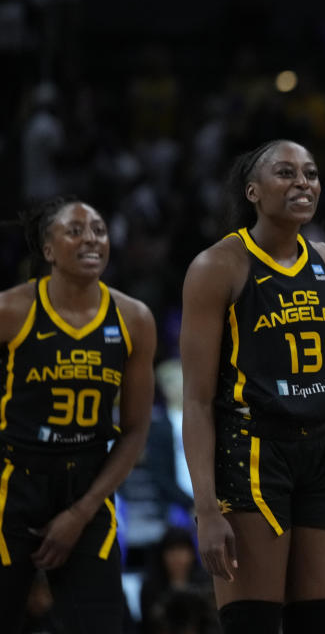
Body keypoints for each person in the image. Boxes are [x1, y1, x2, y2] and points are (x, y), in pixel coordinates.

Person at [180, 139, 325, 634]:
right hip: (251, 450)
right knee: (252, 622)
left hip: (322, 450)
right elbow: (195, 399)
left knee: (322, 622)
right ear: (252, 191)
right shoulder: (218, 266)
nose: (302, 182)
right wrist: (206, 510)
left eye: (311, 174)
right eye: (286, 173)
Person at [0, 197, 157, 633]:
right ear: (48, 250)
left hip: (87, 488)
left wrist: (81, 511)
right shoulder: (10, 311)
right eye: (75, 230)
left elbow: (136, 429)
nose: (92, 239)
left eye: (100, 230)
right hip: (13, 484)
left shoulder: (134, 319)